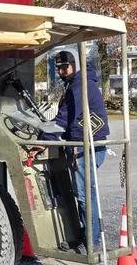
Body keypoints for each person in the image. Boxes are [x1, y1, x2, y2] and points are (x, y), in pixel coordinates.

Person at [27, 50, 109, 252]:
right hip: (85, 144)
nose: (62, 72)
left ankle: (89, 242)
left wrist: (44, 142)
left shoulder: (80, 86)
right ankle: (86, 236)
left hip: (85, 147)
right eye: (58, 69)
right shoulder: (78, 84)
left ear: (75, 65)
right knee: (84, 192)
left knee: (83, 194)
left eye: (65, 67)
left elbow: (64, 119)